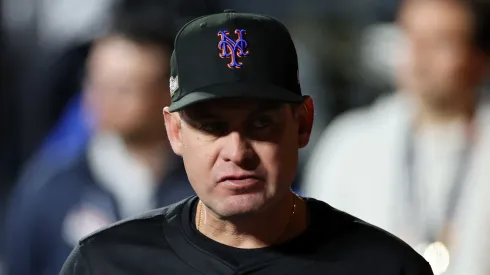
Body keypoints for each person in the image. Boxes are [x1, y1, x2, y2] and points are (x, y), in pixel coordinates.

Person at [60, 10, 433, 275]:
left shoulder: (384, 266)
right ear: (175, 132)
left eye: (260, 124)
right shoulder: (105, 264)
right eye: (212, 127)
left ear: (302, 123)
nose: (237, 152)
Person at [2, 1, 198, 275]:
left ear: (167, 93)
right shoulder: (51, 186)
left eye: (124, 89)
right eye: (96, 83)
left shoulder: (201, 184)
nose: (103, 100)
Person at [303, 0, 490, 274]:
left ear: (479, 59)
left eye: (441, 42)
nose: (419, 57)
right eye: (410, 37)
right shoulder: (351, 145)